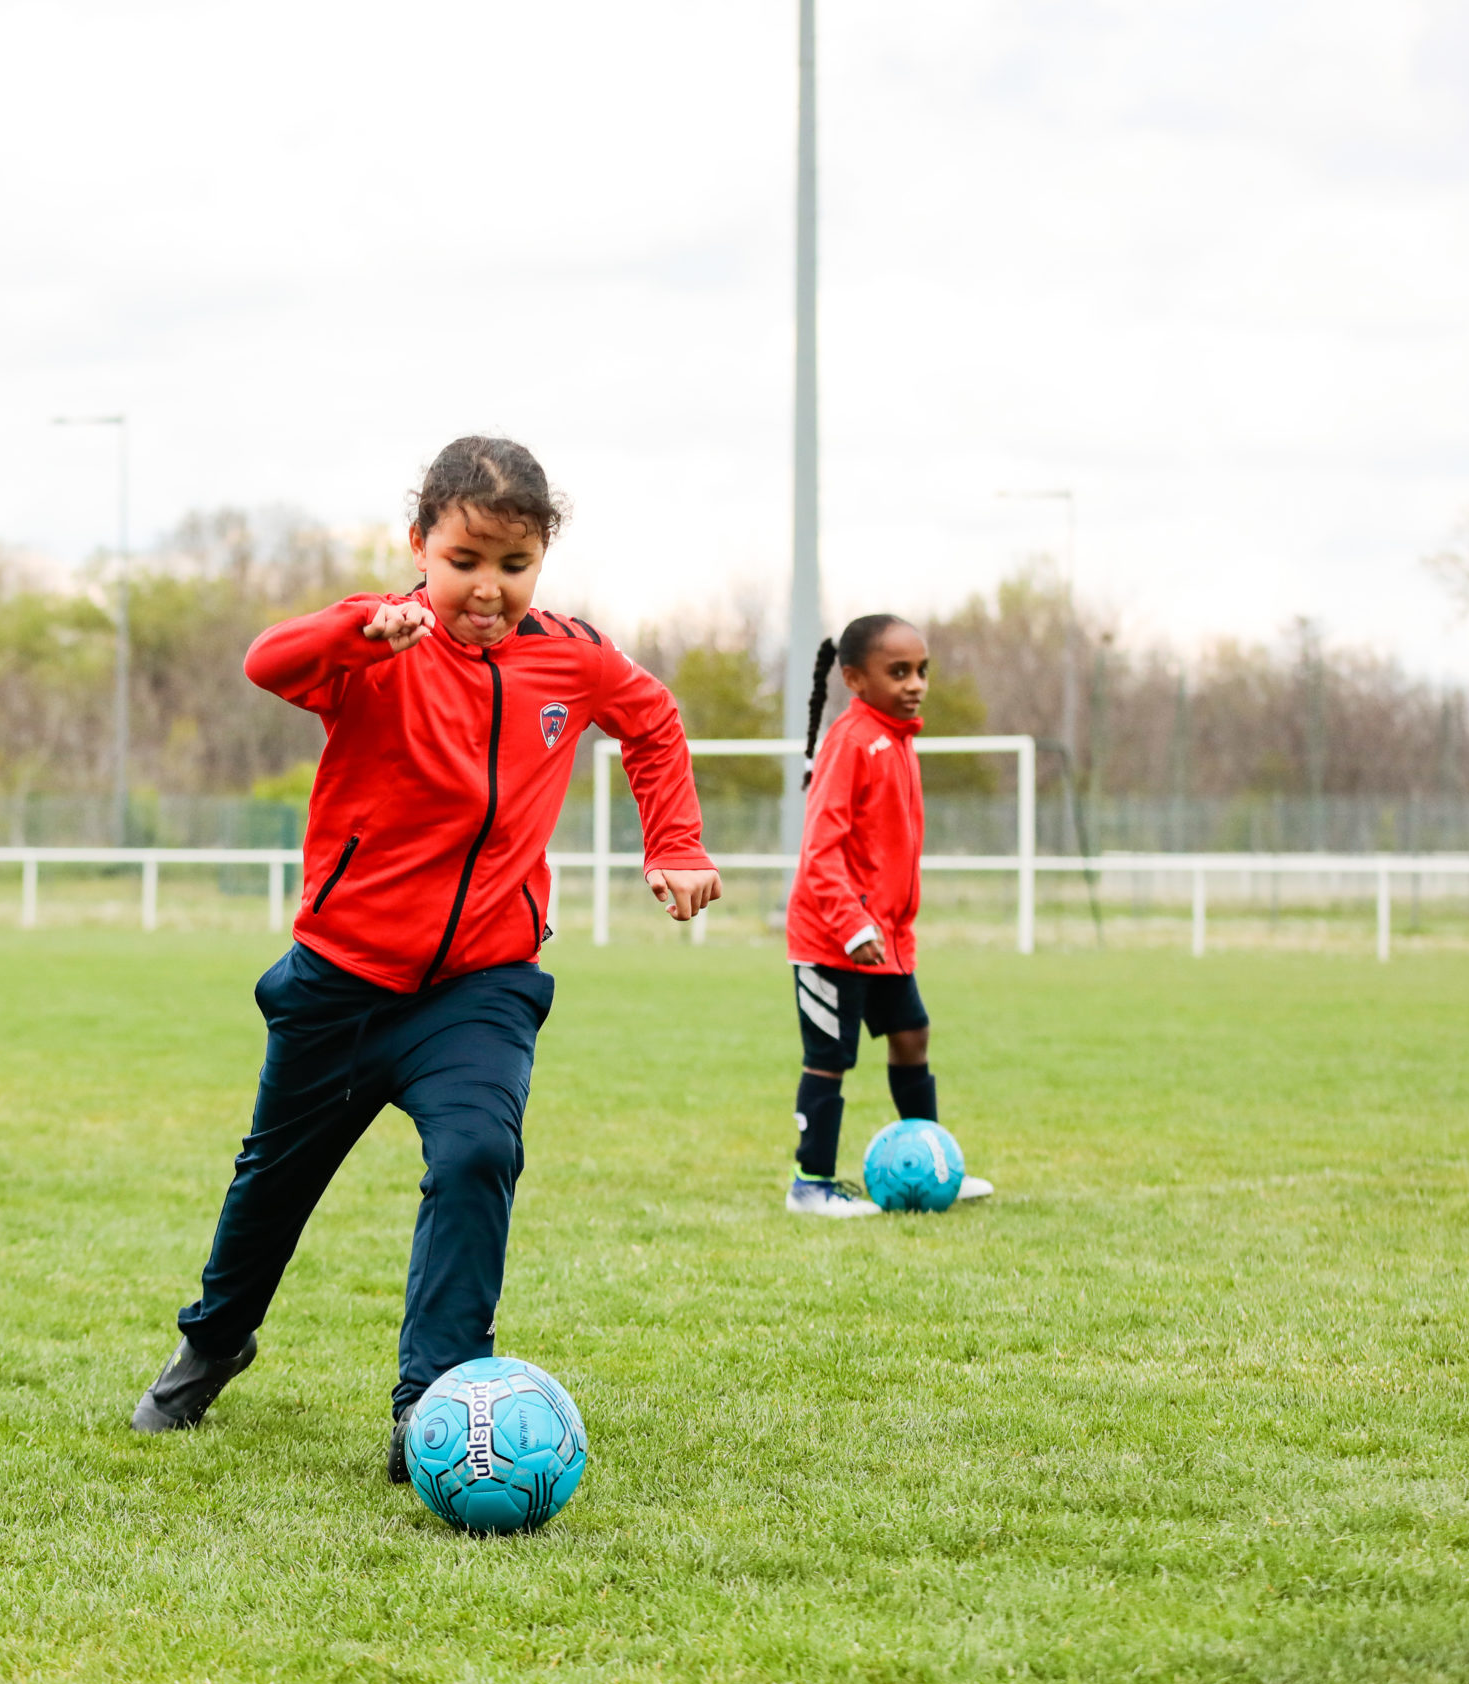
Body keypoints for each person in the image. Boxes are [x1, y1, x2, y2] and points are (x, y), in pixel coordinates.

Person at [131, 436, 720, 1478]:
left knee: (478, 1157)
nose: (486, 589)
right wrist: (365, 626)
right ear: (419, 547)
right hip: (340, 982)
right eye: (463, 562)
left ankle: (436, 1402)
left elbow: (654, 722)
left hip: (479, 988)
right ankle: (214, 1340)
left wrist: (672, 843)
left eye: (512, 564)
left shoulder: (571, 656)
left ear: (541, 561)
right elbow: (265, 662)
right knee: (273, 1183)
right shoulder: (374, 647)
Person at [781, 613, 992, 1217]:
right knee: (830, 1057)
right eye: (898, 672)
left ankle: (934, 1159)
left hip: (887, 939)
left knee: (911, 1035)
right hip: (833, 938)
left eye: (922, 670)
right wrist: (853, 926)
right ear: (853, 678)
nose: (915, 683)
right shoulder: (850, 743)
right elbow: (819, 852)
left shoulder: (900, 741)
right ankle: (810, 1183)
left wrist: (881, 927)